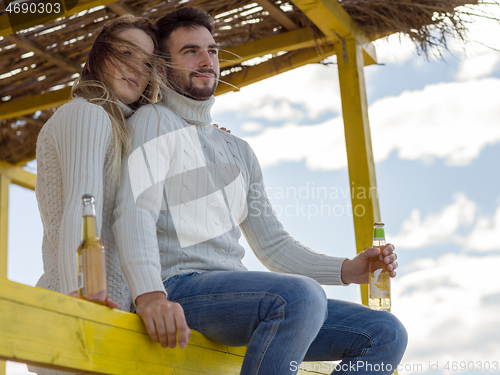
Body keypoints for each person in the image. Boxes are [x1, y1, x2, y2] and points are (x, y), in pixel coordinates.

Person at [113, 7, 407, 375]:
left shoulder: (238, 150)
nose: (207, 60)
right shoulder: (155, 121)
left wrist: (348, 269)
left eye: (213, 50)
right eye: (190, 51)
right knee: (299, 296)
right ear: (161, 67)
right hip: (178, 289)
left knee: (384, 332)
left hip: (237, 299)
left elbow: (274, 246)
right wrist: (149, 295)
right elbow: (134, 211)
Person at [28, 15, 161, 375]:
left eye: (148, 63)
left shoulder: (124, 131)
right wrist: (79, 296)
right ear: (98, 56)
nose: (137, 68)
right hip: (80, 311)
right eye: (126, 53)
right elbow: (80, 206)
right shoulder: (86, 114)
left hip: (108, 312)